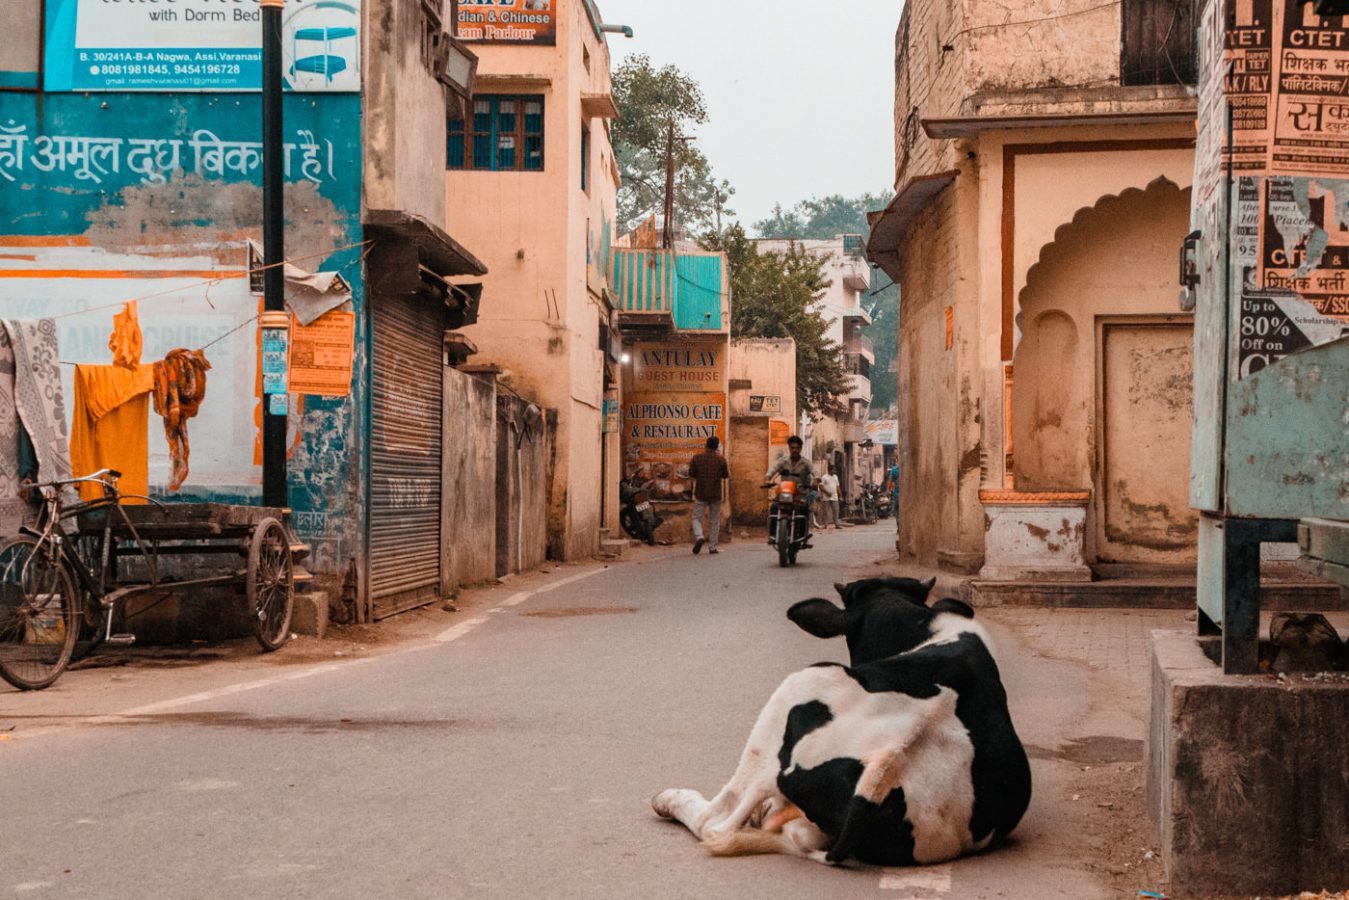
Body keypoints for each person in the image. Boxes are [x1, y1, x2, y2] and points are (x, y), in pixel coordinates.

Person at [765, 435, 814, 543]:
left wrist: (816, 480)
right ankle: (773, 535)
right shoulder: (783, 461)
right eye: (792, 448)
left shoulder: (806, 463)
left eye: (797, 448)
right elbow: (773, 469)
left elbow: (814, 471)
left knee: (804, 508)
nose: (794, 450)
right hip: (785, 492)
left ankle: (803, 535)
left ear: (800, 448)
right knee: (773, 507)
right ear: (789, 448)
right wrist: (768, 478)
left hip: (799, 493)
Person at [688, 435, 729, 555]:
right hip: (715, 494)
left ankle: (699, 536)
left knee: (696, 518)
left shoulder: (697, 458)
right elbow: (726, 475)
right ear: (716, 447)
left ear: (706, 445)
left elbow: (692, 473)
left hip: (701, 492)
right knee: (714, 520)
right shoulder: (721, 459)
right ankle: (712, 547)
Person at [818, 463, 840, 529]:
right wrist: (827, 492)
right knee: (826, 512)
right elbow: (820, 486)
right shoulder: (824, 477)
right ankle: (825, 525)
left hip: (834, 496)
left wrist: (840, 494)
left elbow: (837, 486)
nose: (835, 471)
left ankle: (837, 524)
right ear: (829, 470)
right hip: (826, 497)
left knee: (836, 510)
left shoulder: (836, 477)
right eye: (833, 470)